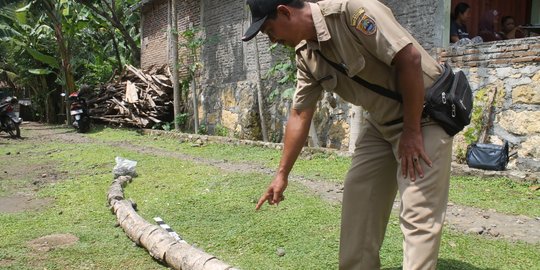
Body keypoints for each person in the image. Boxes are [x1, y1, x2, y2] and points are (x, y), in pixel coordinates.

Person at [242, 0, 453, 269]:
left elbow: (409, 59)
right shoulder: (306, 54)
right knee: (359, 202)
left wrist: (412, 132)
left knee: (418, 212)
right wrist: (281, 174)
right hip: (381, 122)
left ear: (285, 11)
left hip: (424, 116)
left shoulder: (352, 11)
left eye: (270, 30)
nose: (272, 40)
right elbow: (299, 113)